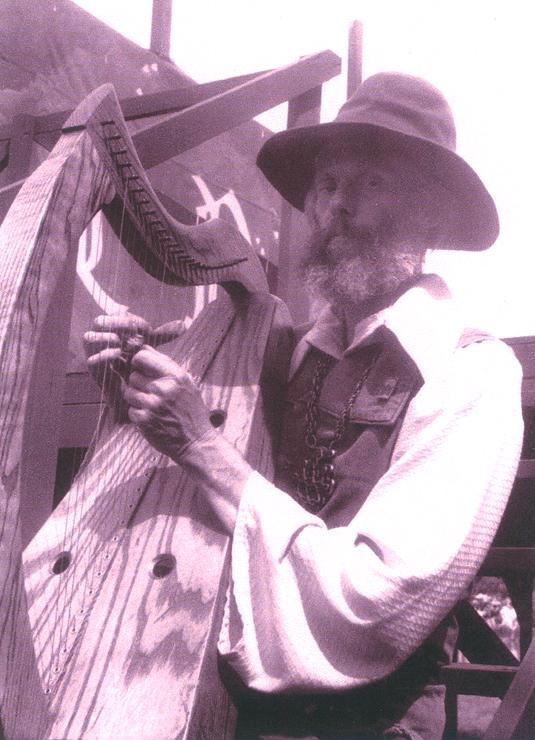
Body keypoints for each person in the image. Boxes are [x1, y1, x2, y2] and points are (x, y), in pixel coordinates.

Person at [84, 73, 524, 739]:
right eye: (327, 184)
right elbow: (214, 506)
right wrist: (138, 398)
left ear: (430, 214)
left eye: (372, 184)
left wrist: (202, 446)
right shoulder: (285, 351)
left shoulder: (469, 373)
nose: (339, 205)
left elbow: (374, 601)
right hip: (243, 712)